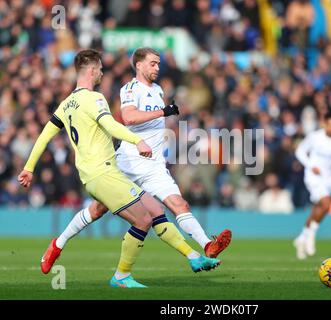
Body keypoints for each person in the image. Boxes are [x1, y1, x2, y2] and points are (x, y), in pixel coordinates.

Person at [18, 49, 220, 288]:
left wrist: (29, 168)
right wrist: (137, 140)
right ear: (92, 70)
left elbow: (43, 136)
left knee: (155, 210)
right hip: (102, 173)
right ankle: (122, 276)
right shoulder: (94, 99)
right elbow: (113, 125)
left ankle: (194, 257)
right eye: (101, 69)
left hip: (100, 173)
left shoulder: (66, 104)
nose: (103, 73)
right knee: (143, 220)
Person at [293, 111, 331, 260]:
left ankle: (301, 238)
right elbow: (300, 151)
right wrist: (310, 165)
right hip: (314, 176)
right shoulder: (315, 137)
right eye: (329, 124)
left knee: (319, 208)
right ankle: (311, 235)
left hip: (330, 178)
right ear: (324, 123)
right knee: (326, 204)